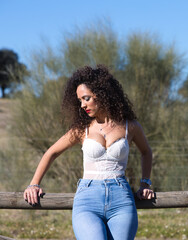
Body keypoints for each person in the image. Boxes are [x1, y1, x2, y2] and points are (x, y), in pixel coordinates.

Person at [23, 65, 154, 240]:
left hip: (121, 198)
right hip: (88, 200)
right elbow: (51, 153)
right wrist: (34, 184)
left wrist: (145, 184)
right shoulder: (81, 129)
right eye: (80, 101)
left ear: (102, 94)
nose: (83, 105)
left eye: (86, 98)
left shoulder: (130, 126)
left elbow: (146, 152)